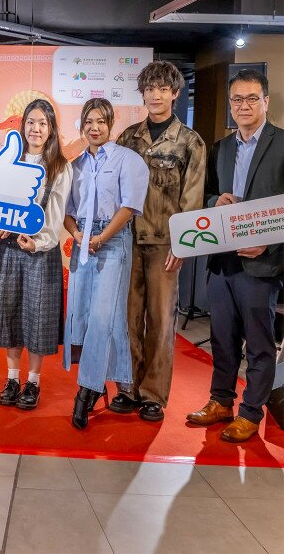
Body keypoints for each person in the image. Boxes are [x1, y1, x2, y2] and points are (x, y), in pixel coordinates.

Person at [187, 69, 284, 443]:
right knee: (222, 338)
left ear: (266, 102)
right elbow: (207, 194)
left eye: (251, 98)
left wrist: (270, 245)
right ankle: (220, 402)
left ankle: (249, 413)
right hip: (223, 260)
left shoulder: (281, 144)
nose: (243, 105)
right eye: (237, 99)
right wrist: (216, 201)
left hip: (261, 264)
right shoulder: (222, 148)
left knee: (259, 345)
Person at [116, 61, 206, 422]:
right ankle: (127, 387)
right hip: (126, 242)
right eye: (149, 88)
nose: (155, 94)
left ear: (174, 92)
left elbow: (193, 198)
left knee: (161, 320)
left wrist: (182, 245)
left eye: (162, 88)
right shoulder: (127, 138)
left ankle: (153, 393)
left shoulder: (190, 142)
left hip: (165, 246)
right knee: (127, 318)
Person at [0, 99, 72, 411]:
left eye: (43, 123)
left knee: (37, 317)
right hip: (9, 250)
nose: (36, 128)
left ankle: (33, 381)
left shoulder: (60, 166)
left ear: (51, 130)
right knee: (11, 314)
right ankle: (12, 377)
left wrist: (40, 241)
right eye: (31, 122)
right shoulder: (8, 160)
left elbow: (57, 216)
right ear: (23, 126)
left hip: (40, 252)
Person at [64, 98, 149, 429]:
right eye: (88, 122)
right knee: (81, 315)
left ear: (110, 124)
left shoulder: (128, 160)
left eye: (100, 121)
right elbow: (68, 212)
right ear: (82, 125)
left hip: (113, 241)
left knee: (101, 318)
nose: (94, 128)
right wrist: (79, 236)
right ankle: (99, 384)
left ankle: (84, 392)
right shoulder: (75, 166)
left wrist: (100, 238)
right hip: (82, 241)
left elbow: (129, 207)